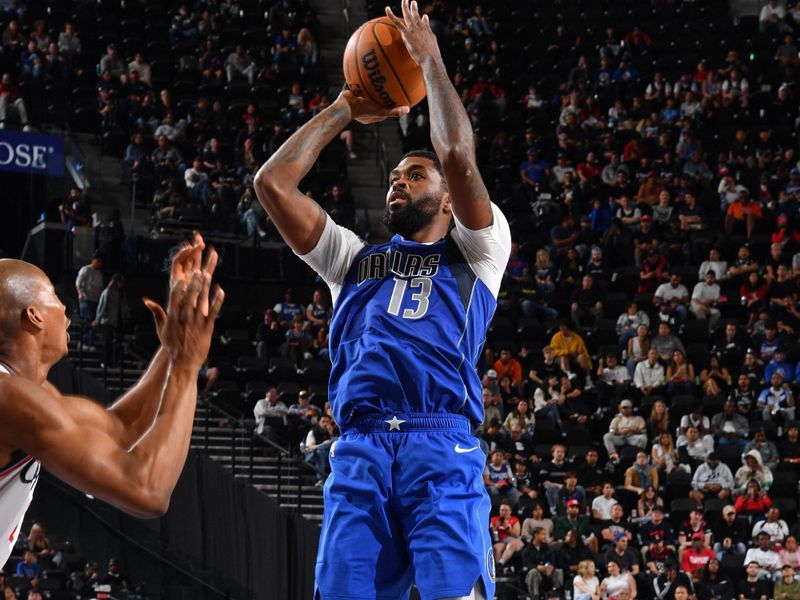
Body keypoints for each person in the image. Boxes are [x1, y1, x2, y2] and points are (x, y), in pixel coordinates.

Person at [255, 5, 512, 597]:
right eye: (395, 174)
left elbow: (456, 156)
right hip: (361, 448)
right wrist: (346, 107)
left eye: (415, 174)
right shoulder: (350, 259)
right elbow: (272, 185)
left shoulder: (479, 251)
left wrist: (430, 59)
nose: (399, 180)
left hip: (440, 443)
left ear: (448, 200)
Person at [0, 237, 222, 568]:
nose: (63, 307)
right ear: (34, 316)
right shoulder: (11, 400)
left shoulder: (27, 395)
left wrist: (174, 350)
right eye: (54, 297)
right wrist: (187, 365)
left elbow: (122, 429)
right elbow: (148, 490)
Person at [74, 252, 103, 350]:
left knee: (93, 321)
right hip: (86, 299)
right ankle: (83, 342)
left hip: (95, 300)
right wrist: (80, 294)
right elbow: (78, 283)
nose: (99, 264)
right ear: (93, 260)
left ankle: (90, 342)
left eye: (100, 262)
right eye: (98, 261)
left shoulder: (99, 273)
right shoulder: (86, 269)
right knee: (87, 320)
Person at [489, 502, 523, 572]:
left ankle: (500, 563)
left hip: (512, 540)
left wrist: (507, 527)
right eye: (502, 510)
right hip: (500, 540)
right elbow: (491, 532)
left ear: (510, 511)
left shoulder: (514, 519)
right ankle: (498, 570)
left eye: (506, 510)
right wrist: (496, 526)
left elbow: (517, 534)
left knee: (511, 545)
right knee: (496, 548)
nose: (504, 512)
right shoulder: (494, 519)